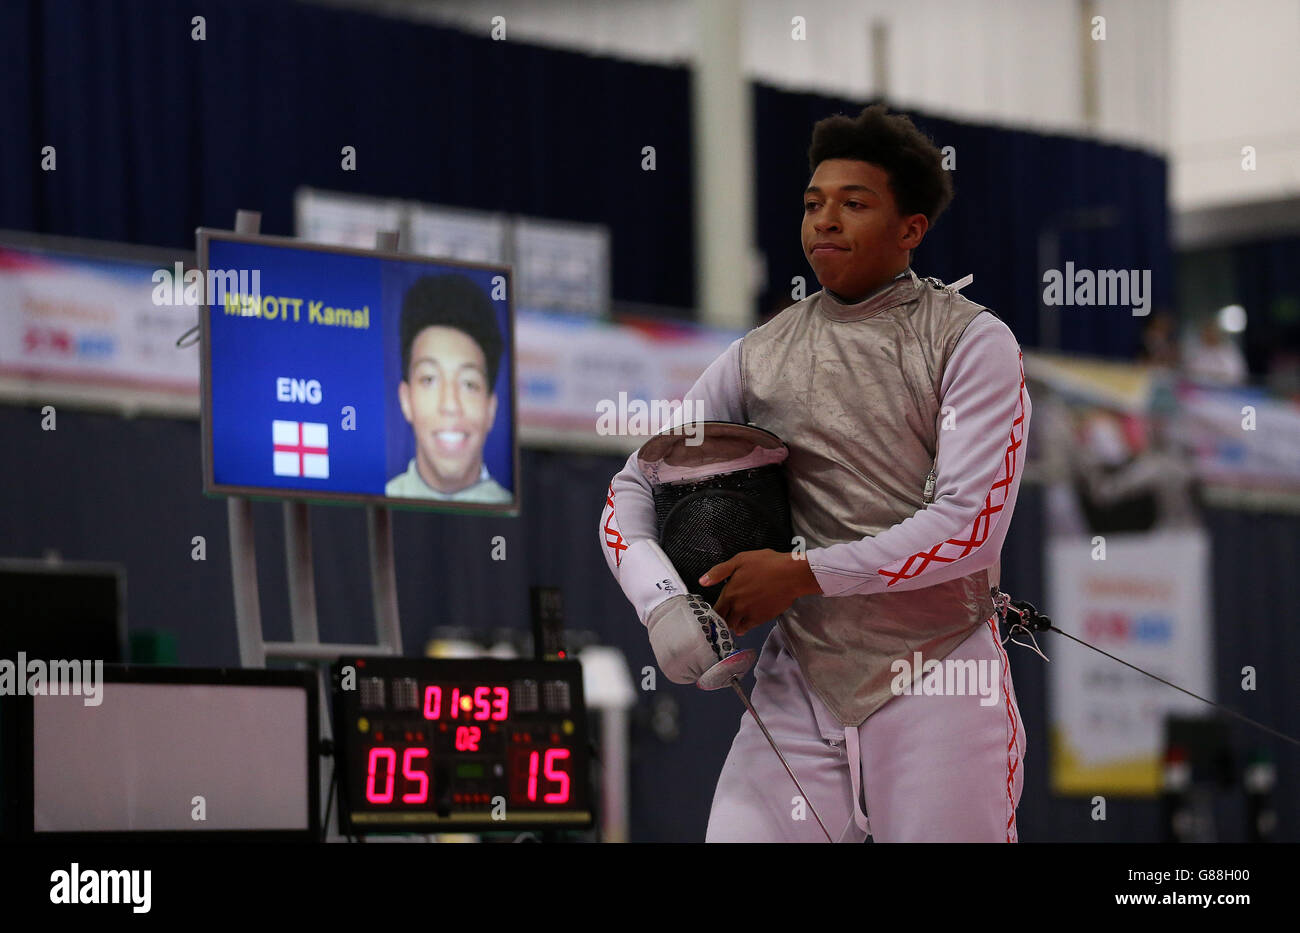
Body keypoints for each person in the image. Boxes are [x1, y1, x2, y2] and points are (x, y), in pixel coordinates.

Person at [599, 104, 1032, 842]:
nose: (825, 219)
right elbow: (633, 486)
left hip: (939, 677)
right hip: (801, 682)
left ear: (910, 230)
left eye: (854, 204)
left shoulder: (969, 341)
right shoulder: (759, 354)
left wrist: (799, 574)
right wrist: (663, 603)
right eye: (812, 203)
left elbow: (970, 528)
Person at [386, 274, 511, 504]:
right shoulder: (383, 499)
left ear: (491, 408)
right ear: (405, 400)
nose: (451, 405)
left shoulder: (506, 504)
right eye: (430, 380)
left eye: (469, 384)